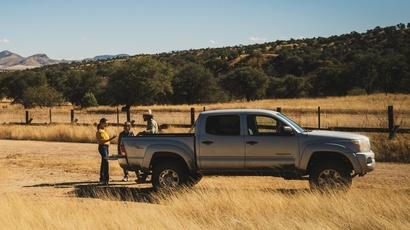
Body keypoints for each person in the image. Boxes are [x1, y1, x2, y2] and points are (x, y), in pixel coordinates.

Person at [96, 118, 117, 185]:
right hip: (102, 147)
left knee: (104, 163)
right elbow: (102, 141)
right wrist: (112, 138)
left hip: (106, 147)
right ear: (102, 123)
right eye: (106, 123)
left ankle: (103, 179)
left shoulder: (104, 130)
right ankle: (105, 179)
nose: (107, 124)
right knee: (106, 162)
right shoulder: (99, 131)